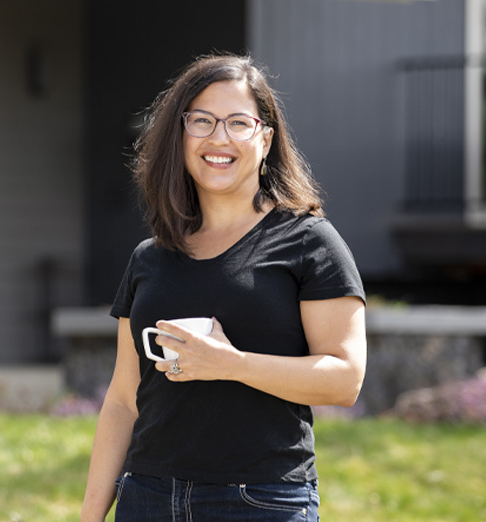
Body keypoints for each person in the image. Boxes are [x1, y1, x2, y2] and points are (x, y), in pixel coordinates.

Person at [81, 53, 366, 522]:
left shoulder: (309, 241)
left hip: (261, 501)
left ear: (266, 139)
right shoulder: (149, 257)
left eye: (238, 122)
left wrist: (231, 364)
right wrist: (92, 515)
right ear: (181, 134)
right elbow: (122, 399)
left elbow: (345, 379)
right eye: (202, 121)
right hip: (147, 498)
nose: (219, 138)